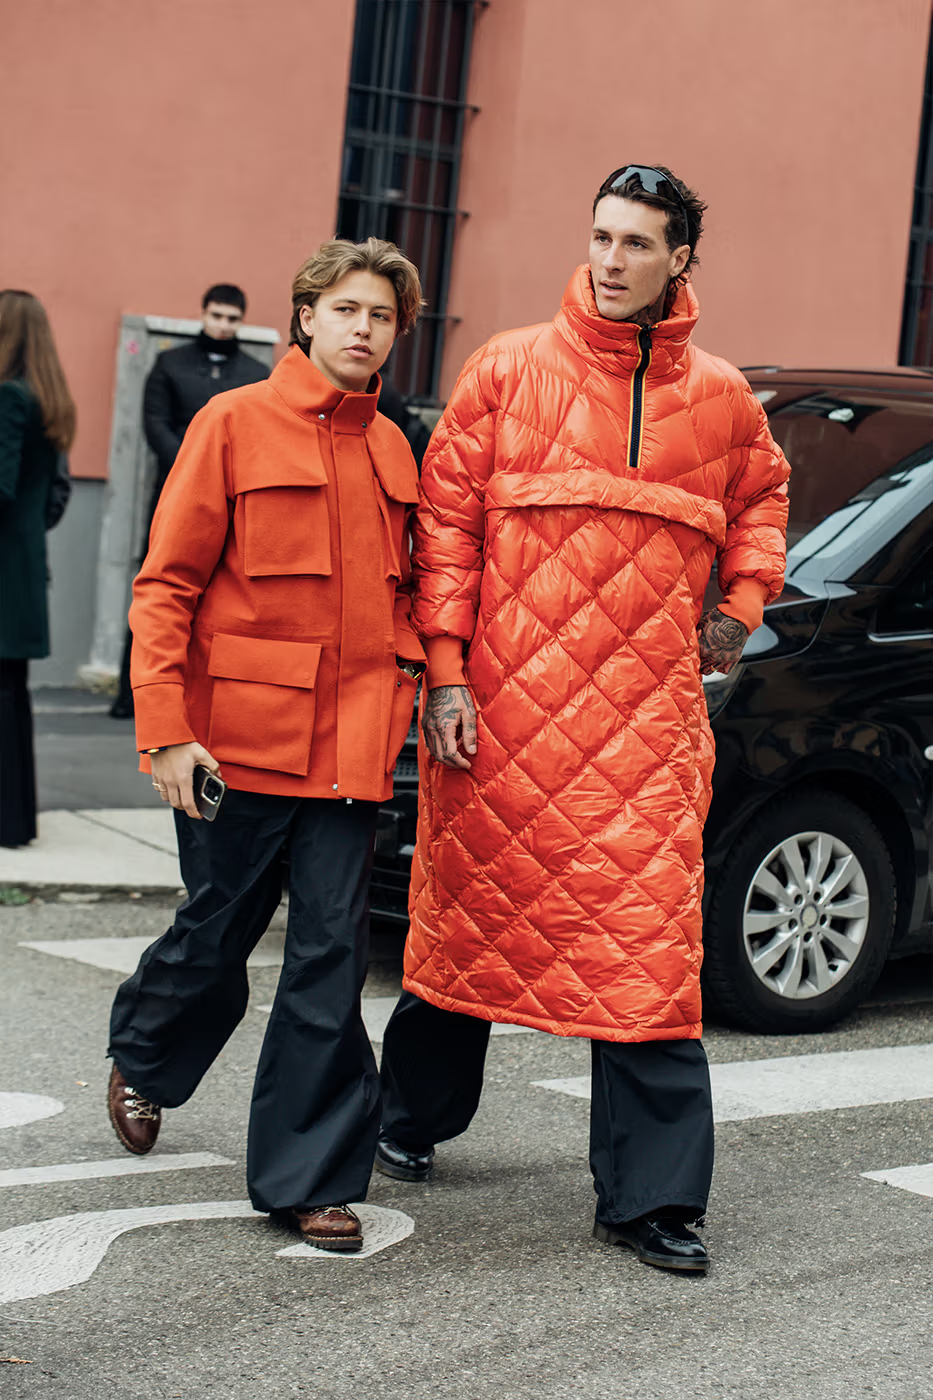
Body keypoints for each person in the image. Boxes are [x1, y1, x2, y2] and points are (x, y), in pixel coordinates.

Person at [376, 165, 791, 1275]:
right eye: (600, 237)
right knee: (467, 923)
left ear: (680, 260)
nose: (610, 260)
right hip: (500, 716)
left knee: (648, 959)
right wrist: (448, 674)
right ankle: (406, 1117)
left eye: (637, 244)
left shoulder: (724, 396)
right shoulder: (506, 367)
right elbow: (447, 528)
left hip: (647, 730)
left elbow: (764, 496)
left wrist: (741, 604)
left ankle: (651, 1200)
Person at [106, 239, 426, 1252]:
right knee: (215, 936)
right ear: (303, 318)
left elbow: (407, 597)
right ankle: (147, 1055)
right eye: (346, 308)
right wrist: (165, 730)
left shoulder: (394, 447)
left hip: (352, 753)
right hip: (236, 746)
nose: (362, 327)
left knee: (330, 963)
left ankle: (306, 1176)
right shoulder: (231, 422)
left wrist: (419, 677)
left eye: (381, 314)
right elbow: (165, 587)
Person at [110, 284, 269, 718]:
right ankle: (133, 692)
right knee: (160, 580)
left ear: (242, 321)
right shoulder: (169, 365)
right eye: (217, 316)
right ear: (203, 314)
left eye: (232, 318)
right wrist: (195, 466)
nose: (223, 325)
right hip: (175, 491)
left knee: (225, 587)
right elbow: (154, 424)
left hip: (237, 498)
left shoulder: (257, 373)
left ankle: (208, 691)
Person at [0, 290, 76, 847]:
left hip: (5, 572)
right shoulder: (47, 399)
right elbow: (53, 498)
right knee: (11, 699)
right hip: (21, 570)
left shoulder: (8, 397)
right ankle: (14, 821)